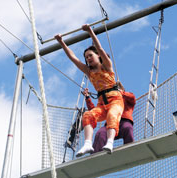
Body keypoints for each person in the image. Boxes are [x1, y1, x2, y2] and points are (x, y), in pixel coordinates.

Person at [55, 24, 124, 157]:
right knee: (88, 115)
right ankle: (87, 144)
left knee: (112, 115)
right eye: (86, 57)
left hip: (115, 100)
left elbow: (100, 49)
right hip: (101, 104)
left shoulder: (107, 67)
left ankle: (109, 142)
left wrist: (90, 32)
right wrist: (61, 42)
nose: (88, 59)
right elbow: (73, 58)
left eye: (90, 55)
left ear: (98, 56)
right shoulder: (89, 72)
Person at [83, 82, 136, 153]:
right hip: (110, 124)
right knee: (100, 133)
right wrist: (87, 98)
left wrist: (120, 92)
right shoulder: (109, 101)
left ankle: (130, 151)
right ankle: (95, 156)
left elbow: (132, 97)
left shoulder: (127, 98)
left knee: (128, 128)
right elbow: (95, 112)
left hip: (123, 122)